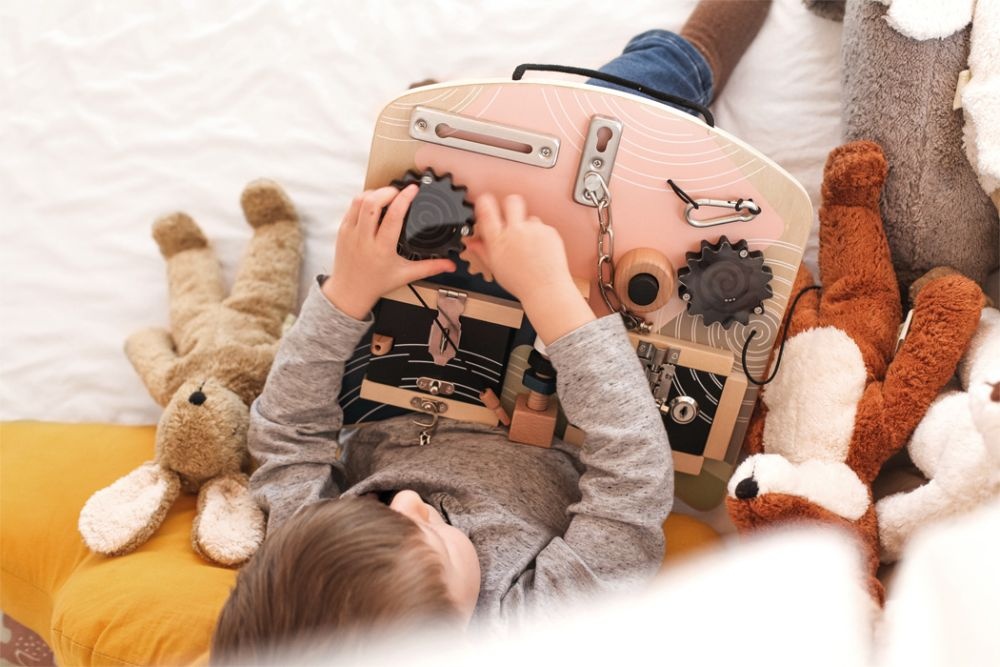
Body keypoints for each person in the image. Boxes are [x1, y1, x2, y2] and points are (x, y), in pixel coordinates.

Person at [212, 1, 771, 661]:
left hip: (414, 361)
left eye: (378, 509)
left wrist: (348, 291)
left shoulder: (308, 589)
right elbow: (631, 487)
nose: (410, 500)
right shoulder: (535, 623)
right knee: (607, 145)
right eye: (438, 539)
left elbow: (285, 435)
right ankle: (691, 54)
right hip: (577, 382)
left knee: (421, 214)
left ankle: (455, 145)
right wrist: (553, 299)